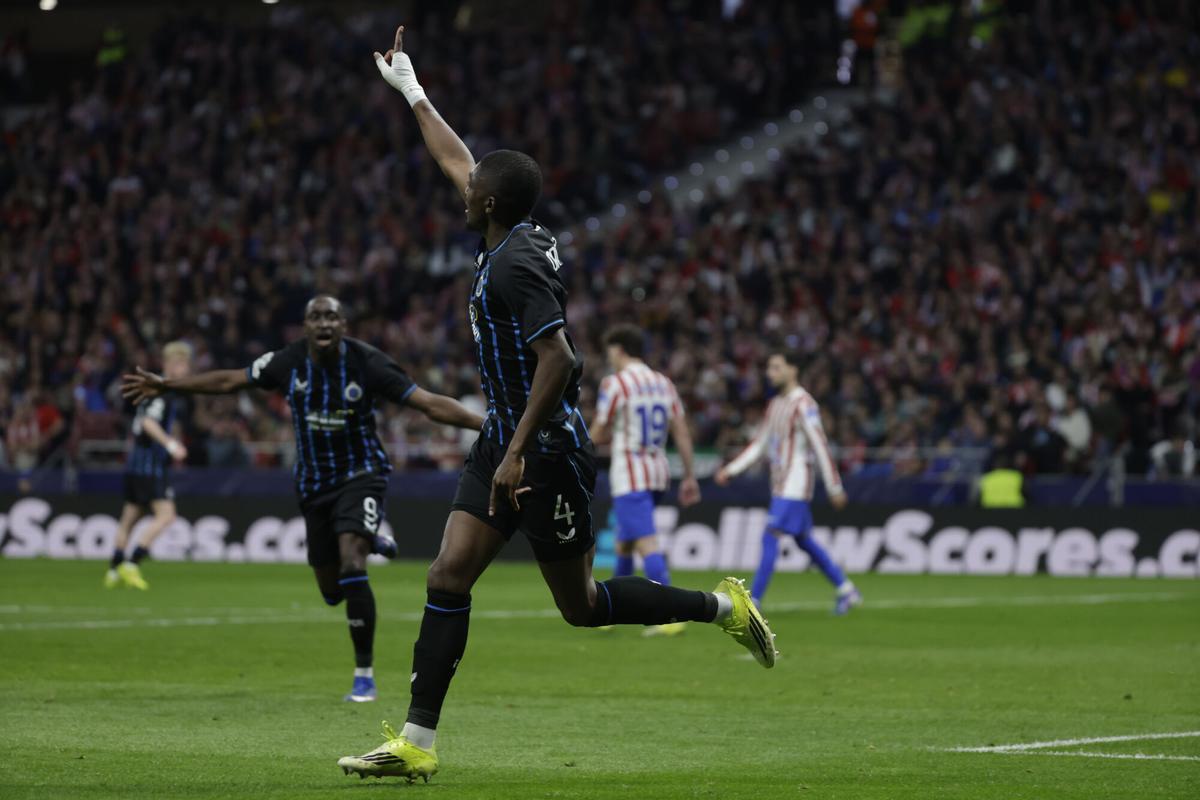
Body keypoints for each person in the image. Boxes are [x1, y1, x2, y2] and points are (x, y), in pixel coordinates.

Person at [336, 27, 777, 784]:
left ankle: (722, 608)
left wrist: (515, 453)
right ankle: (415, 741)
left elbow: (560, 357)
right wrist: (410, 88)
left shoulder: (512, 268)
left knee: (582, 605)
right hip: (505, 441)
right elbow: (455, 158)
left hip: (545, 454)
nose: (463, 187)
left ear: (492, 203)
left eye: (476, 187)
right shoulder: (508, 231)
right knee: (446, 578)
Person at [122, 296, 484, 703]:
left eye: (331, 316)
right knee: (331, 591)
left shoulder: (368, 363)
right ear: (305, 326)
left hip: (361, 475)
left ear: (343, 325)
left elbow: (429, 403)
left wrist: (488, 424)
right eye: (315, 316)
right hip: (313, 485)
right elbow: (228, 381)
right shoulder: (287, 362)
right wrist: (167, 385)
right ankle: (370, 536)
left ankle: (364, 675)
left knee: (352, 563)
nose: (324, 323)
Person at [714, 352, 861, 614]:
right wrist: (731, 469)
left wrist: (834, 486)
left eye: (776, 367)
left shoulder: (804, 404)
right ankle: (846, 590)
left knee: (770, 534)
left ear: (793, 370)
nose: (770, 373)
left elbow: (820, 445)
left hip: (796, 484)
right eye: (769, 367)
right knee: (804, 540)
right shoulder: (775, 405)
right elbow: (760, 444)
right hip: (781, 484)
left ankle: (753, 601)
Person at [590, 324, 701, 636]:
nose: (609, 356)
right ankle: (613, 611)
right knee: (625, 543)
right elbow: (680, 430)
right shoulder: (663, 383)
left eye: (610, 350)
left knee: (645, 541)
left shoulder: (616, 383)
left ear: (619, 349)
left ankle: (673, 613)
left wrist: (573, 450)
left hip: (631, 474)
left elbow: (600, 429)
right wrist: (689, 474)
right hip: (658, 472)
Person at [105, 341, 193, 591]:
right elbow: (147, 423)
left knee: (128, 520)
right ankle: (132, 564)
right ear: (169, 364)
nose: (184, 368)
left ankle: (113, 571)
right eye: (180, 363)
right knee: (167, 516)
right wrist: (171, 445)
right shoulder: (162, 391)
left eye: (186, 364)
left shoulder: (160, 390)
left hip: (135, 463)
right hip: (149, 466)